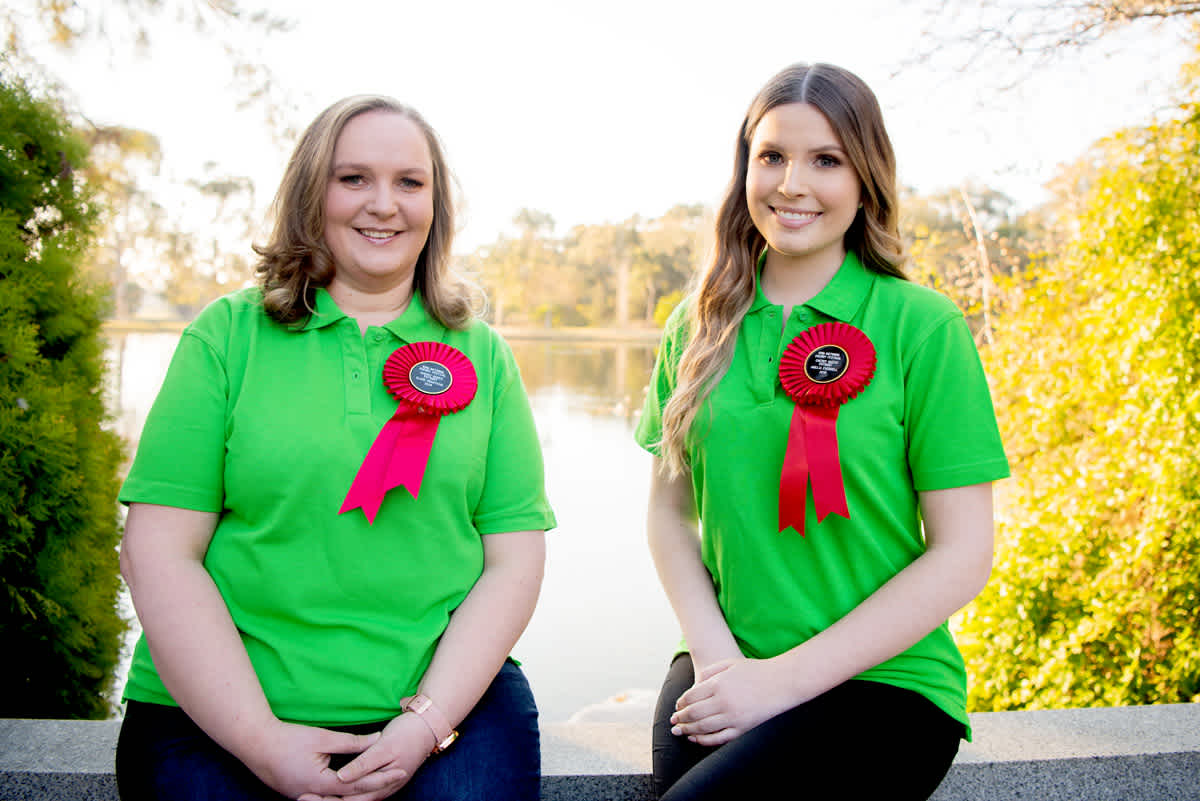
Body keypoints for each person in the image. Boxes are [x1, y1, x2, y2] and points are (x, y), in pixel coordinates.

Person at [115, 96, 555, 801]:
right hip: (215, 708)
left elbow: (514, 559)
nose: (384, 203)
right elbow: (158, 552)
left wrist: (425, 724)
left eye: (410, 182)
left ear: (435, 205)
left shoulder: (486, 356)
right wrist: (259, 739)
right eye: (353, 178)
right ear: (310, 193)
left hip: (442, 703)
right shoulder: (225, 338)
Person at [635, 63, 1010, 800]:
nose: (791, 183)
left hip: (885, 684)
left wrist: (780, 683)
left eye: (825, 160)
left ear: (865, 178)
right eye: (771, 156)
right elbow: (668, 514)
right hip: (724, 661)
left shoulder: (922, 326)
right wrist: (718, 663)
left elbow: (964, 552)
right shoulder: (696, 326)